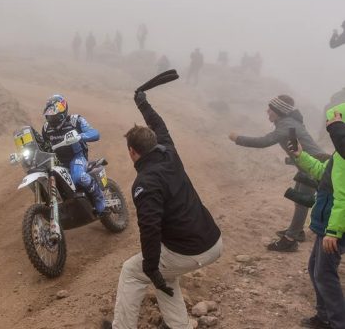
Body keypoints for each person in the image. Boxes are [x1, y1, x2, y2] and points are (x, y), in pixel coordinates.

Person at [104, 90, 222, 329]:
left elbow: (149, 227)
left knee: (132, 271)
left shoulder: (145, 182)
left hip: (190, 249)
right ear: (155, 143)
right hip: (213, 241)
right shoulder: (169, 152)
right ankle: (178, 325)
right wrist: (143, 104)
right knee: (165, 273)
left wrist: (150, 266)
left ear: (132, 152)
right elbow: (159, 124)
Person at [228, 95, 326, 252]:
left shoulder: (287, 125)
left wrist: (237, 138)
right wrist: (291, 160)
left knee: (302, 202)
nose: (267, 111)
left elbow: (263, 142)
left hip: (314, 167)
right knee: (298, 198)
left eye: (271, 109)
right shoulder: (290, 124)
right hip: (308, 166)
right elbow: (296, 147)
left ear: (279, 112)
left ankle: (290, 240)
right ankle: (297, 231)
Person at [290, 105, 345, 329]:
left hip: (335, 225)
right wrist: (301, 156)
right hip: (327, 222)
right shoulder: (340, 156)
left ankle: (337, 322)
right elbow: (324, 173)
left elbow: (343, 197)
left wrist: (334, 231)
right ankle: (324, 317)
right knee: (316, 269)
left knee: (324, 273)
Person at [41, 95, 106, 215]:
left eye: (54, 112)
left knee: (78, 177)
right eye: (49, 113)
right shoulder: (46, 128)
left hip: (77, 156)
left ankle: (99, 197)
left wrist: (80, 136)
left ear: (63, 110)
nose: (52, 116)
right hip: (57, 161)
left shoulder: (75, 120)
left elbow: (95, 133)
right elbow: (43, 145)